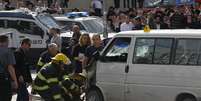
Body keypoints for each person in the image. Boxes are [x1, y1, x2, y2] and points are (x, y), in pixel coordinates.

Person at [0, 35, 18, 101]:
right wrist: (15, 81)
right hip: (3, 79)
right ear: (6, 41)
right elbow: (10, 68)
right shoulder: (8, 51)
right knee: (5, 97)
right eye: (8, 41)